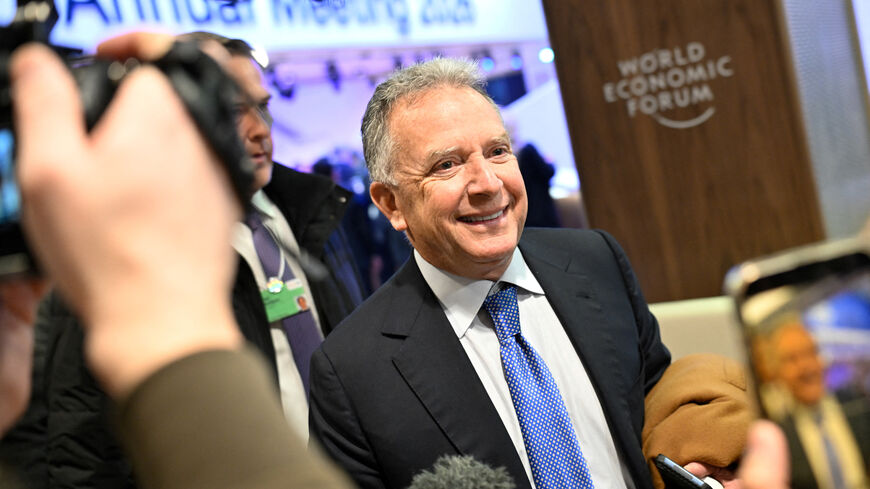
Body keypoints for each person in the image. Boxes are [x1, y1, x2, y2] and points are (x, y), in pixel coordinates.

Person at [307, 57, 735, 489]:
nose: (488, 184)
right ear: (391, 204)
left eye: (497, 152)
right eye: (447, 165)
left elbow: (654, 400)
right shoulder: (352, 373)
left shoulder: (596, 262)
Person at [0, 32, 366, 488]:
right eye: (231, 111)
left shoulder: (318, 210)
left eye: (263, 107)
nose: (259, 130)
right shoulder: (117, 248)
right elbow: (84, 441)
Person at [763, 321, 869, 489]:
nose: (806, 366)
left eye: (810, 353)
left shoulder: (858, 406)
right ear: (778, 372)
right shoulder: (779, 437)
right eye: (792, 359)